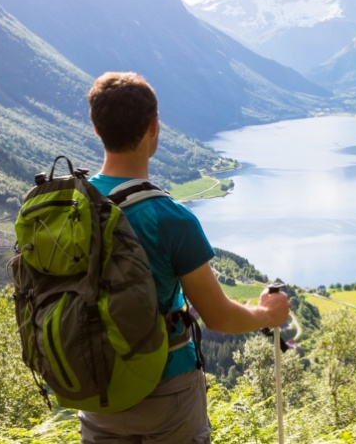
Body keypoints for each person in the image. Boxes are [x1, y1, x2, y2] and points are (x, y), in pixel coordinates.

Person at [79, 72, 290, 443]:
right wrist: (268, 315)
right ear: (154, 127)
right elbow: (219, 316)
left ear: (96, 129)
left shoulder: (73, 206)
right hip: (167, 390)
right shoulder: (169, 217)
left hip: (96, 389)